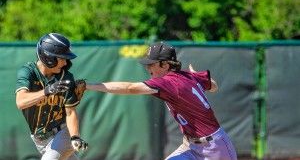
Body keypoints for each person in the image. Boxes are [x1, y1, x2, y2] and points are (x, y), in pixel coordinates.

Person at [86, 41, 237, 160]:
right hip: (191, 146)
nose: (148, 68)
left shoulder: (169, 82)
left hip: (215, 148)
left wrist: (89, 86)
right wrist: (197, 76)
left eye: (151, 64)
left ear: (165, 64)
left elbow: (130, 88)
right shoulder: (186, 76)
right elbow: (214, 86)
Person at [15, 33, 88, 160]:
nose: (65, 62)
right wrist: (46, 91)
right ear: (48, 57)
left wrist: (75, 136)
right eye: (62, 58)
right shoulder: (28, 72)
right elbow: (20, 102)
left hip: (62, 133)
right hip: (39, 139)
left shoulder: (66, 77)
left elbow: (70, 113)